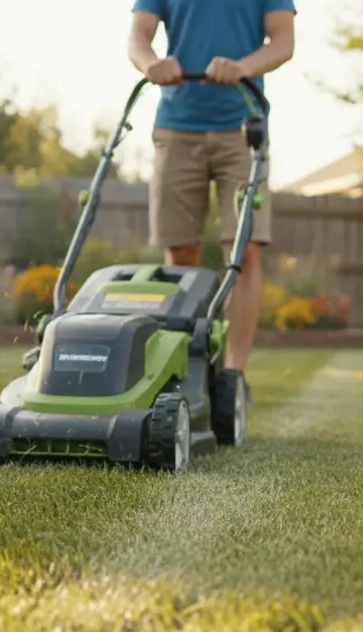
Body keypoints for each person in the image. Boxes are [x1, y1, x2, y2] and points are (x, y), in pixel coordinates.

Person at [127, 0, 296, 374]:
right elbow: (138, 38)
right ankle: (185, 367)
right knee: (181, 253)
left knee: (243, 251)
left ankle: (233, 376)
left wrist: (242, 67)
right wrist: (151, 63)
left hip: (242, 127)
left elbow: (283, 42)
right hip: (176, 126)